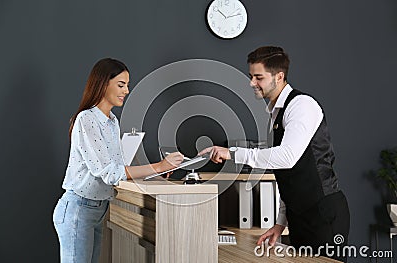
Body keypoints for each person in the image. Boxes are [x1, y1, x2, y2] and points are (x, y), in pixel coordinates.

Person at [199, 46, 350, 262]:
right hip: (299, 217)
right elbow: (287, 176)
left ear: (279, 76)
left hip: (323, 215)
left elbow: (287, 158)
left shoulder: (301, 105)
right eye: (251, 76)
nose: (252, 83)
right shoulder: (275, 113)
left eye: (258, 77)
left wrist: (232, 153)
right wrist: (281, 222)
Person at [52, 58, 184, 263]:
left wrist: (157, 171)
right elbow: (109, 172)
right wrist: (159, 165)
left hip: (98, 209)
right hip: (79, 209)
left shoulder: (113, 122)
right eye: (121, 85)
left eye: (127, 85)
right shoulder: (86, 119)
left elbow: (119, 169)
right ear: (103, 84)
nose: (126, 91)